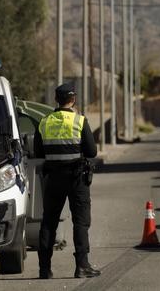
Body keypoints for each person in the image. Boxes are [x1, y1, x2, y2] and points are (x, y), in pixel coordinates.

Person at [35, 83, 100, 279]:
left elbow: (39, 152)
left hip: (53, 178)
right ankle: (82, 266)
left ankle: (44, 269)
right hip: (77, 177)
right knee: (80, 222)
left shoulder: (44, 122)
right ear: (73, 100)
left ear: (56, 100)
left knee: (48, 222)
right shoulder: (79, 121)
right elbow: (92, 152)